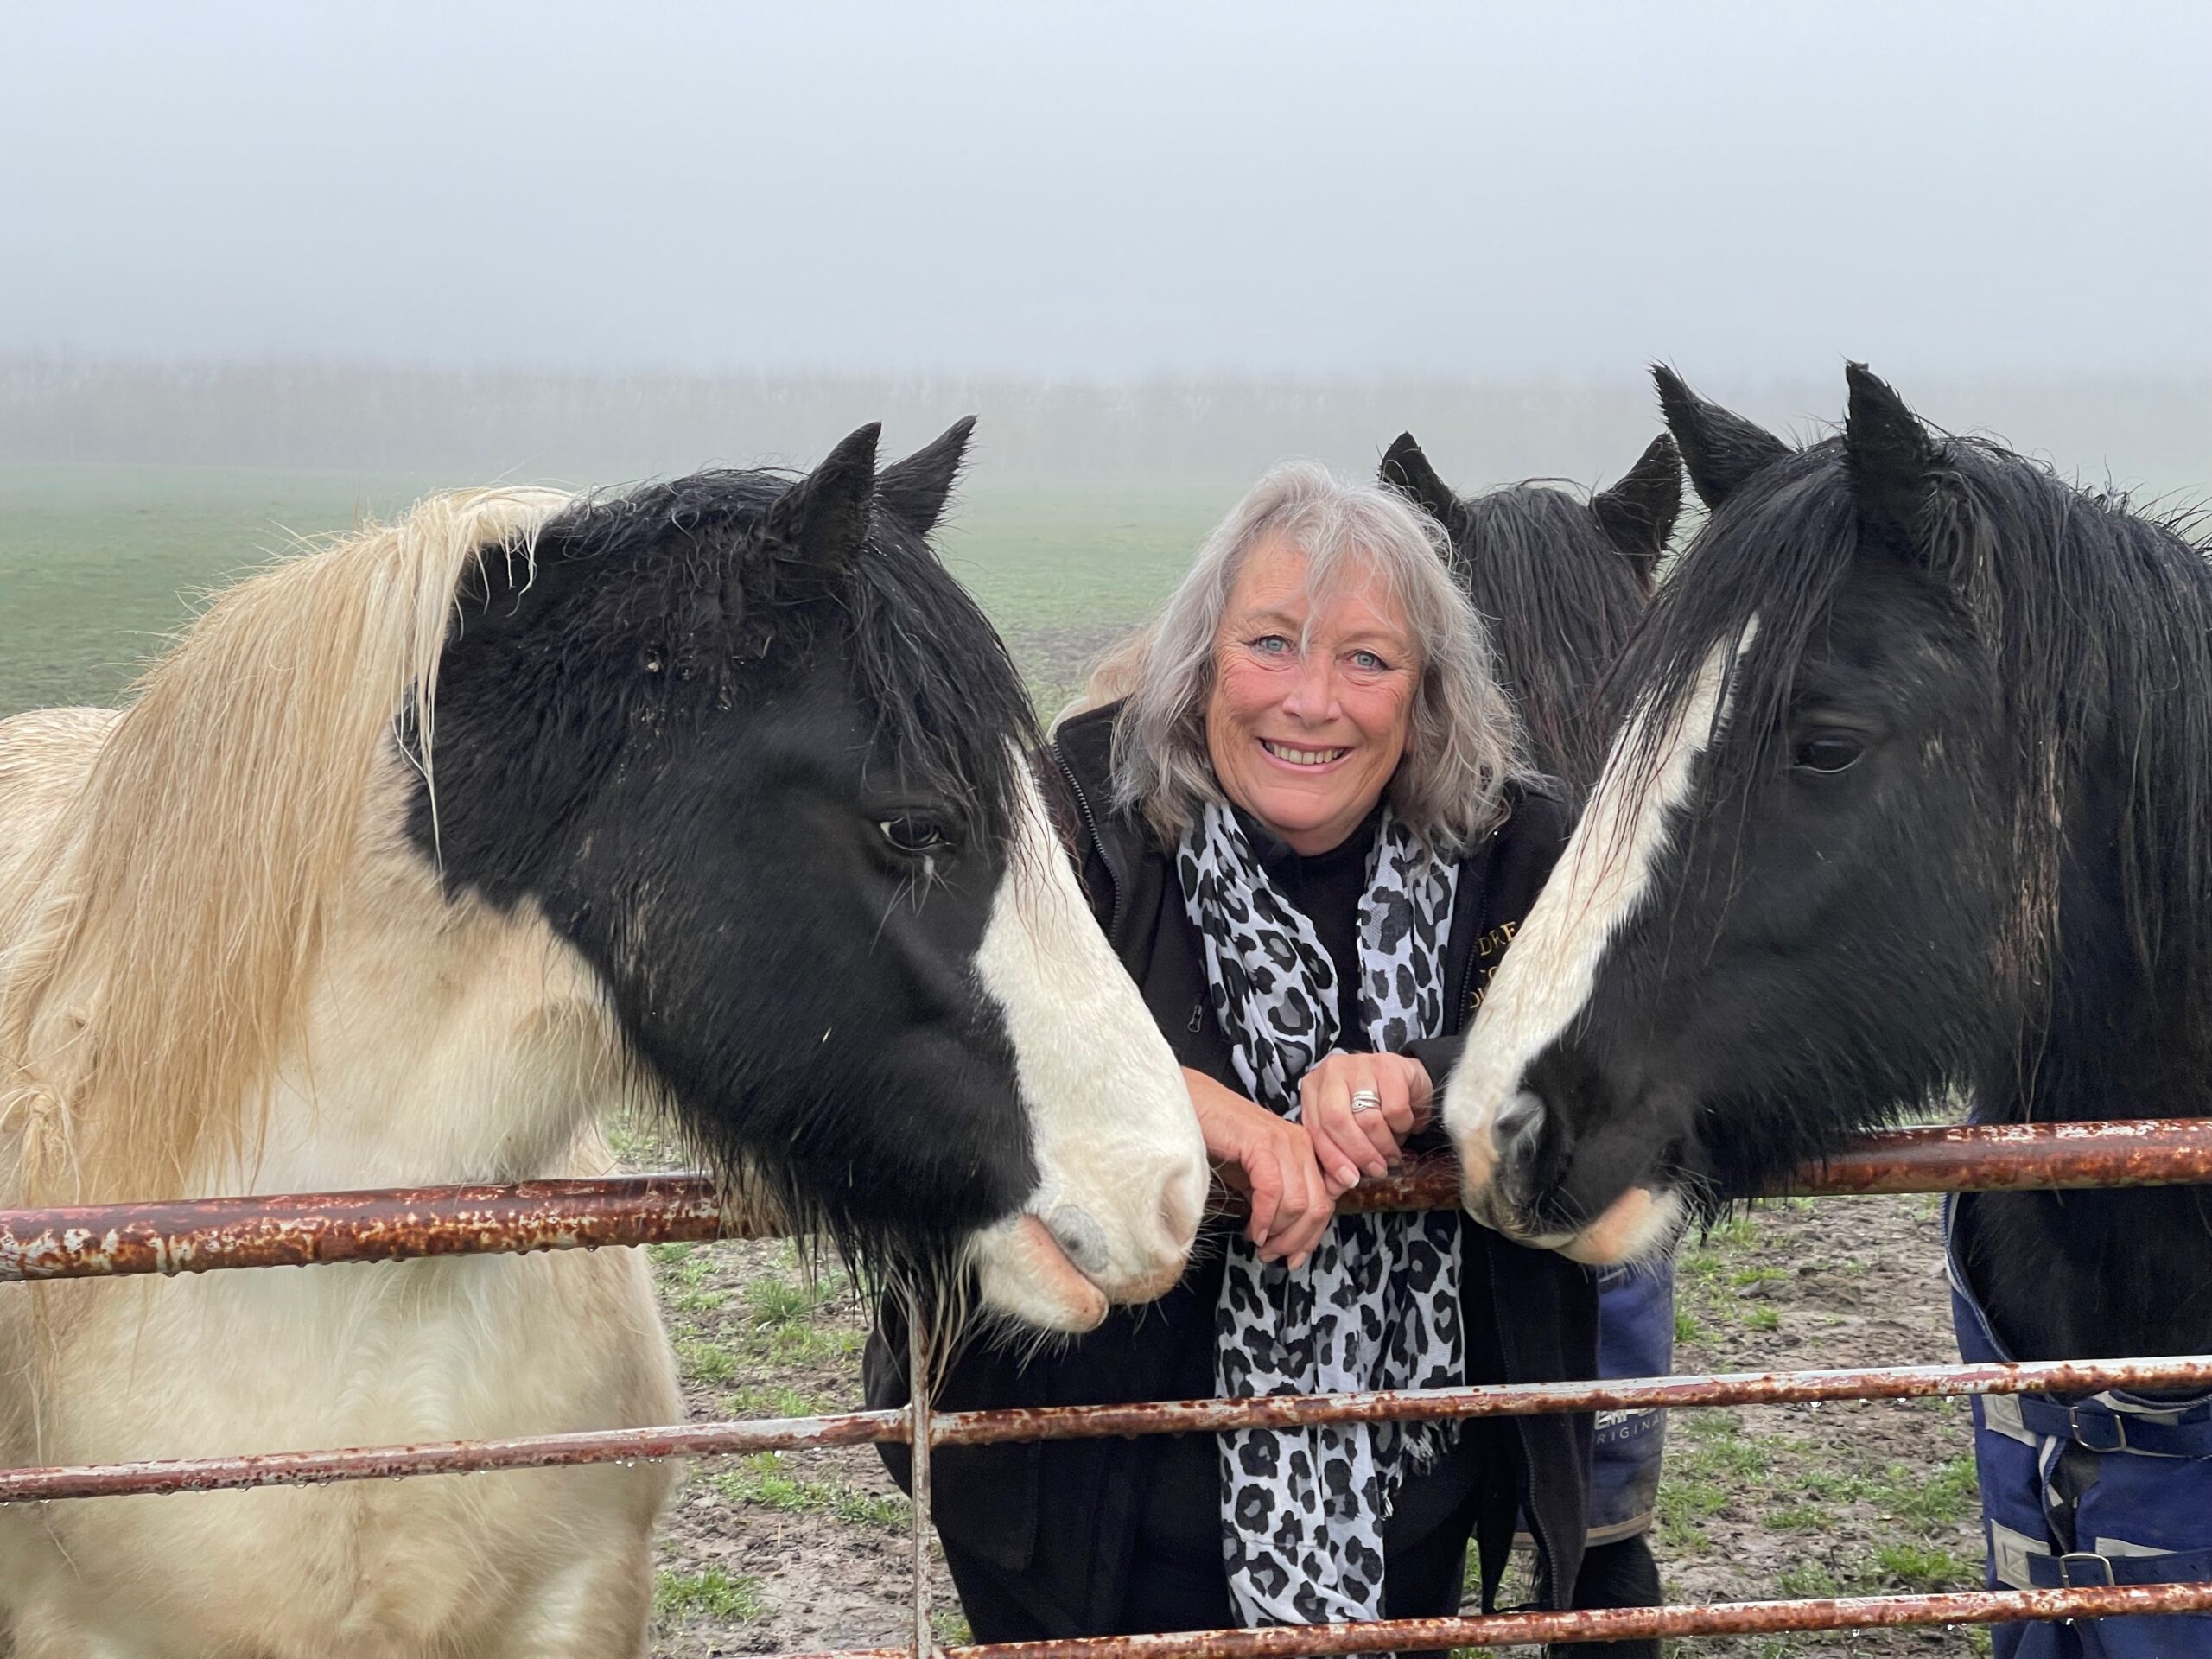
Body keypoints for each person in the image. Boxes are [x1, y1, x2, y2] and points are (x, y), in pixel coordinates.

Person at [866, 461, 1599, 1641]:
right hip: (1085, 1517)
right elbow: (940, 1028)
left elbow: (1607, 1044)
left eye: (1367, 659)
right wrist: (1194, 1106)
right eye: (1270, 644)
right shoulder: (1075, 817)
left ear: (1428, 695)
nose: (1311, 701)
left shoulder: (1516, 846)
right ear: (1198, 660)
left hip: (1406, 1519)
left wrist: (1423, 1071)